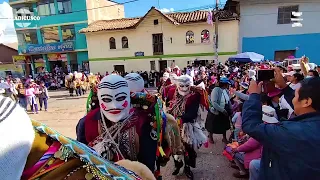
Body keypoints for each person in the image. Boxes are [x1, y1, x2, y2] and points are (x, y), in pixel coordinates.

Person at [242, 71, 320, 179]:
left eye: (296, 95)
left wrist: (254, 96)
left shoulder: (292, 132)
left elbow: (250, 125)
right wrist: (284, 87)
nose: (293, 100)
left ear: (306, 102)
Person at [76, 74, 159, 174]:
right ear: (99, 98)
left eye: (120, 98)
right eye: (107, 99)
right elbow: (80, 159)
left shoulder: (144, 122)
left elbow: (147, 168)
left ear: (129, 96)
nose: (114, 106)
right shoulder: (86, 123)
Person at [166, 75, 208, 179]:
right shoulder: (171, 92)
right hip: (173, 125)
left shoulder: (194, 95)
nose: (184, 89)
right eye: (181, 85)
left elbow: (192, 113)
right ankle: (177, 164)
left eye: (187, 85)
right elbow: (167, 105)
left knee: (188, 147)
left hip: (187, 126)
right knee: (173, 147)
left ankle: (187, 167)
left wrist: (179, 119)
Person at [206, 77, 232, 144]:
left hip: (224, 110)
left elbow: (228, 100)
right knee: (212, 125)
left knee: (224, 126)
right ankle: (210, 137)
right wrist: (222, 110)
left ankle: (224, 138)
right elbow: (214, 102)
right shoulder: (216, 90)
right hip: (216, 111)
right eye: (227, 84)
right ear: (224, 84)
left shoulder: (225, 90)